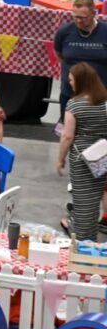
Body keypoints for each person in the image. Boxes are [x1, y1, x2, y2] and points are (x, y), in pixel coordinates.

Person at [59, 63, 107, 241]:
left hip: (81, 158)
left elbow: (67, 136)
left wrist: (60, 159)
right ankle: (90, 236)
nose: (70, 83)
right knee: (94, 198)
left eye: (72, 80)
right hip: (102, 157)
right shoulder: (104, 103)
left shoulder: (74, 105)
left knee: (81, 198)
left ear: (81, 81)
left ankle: (80, 238)